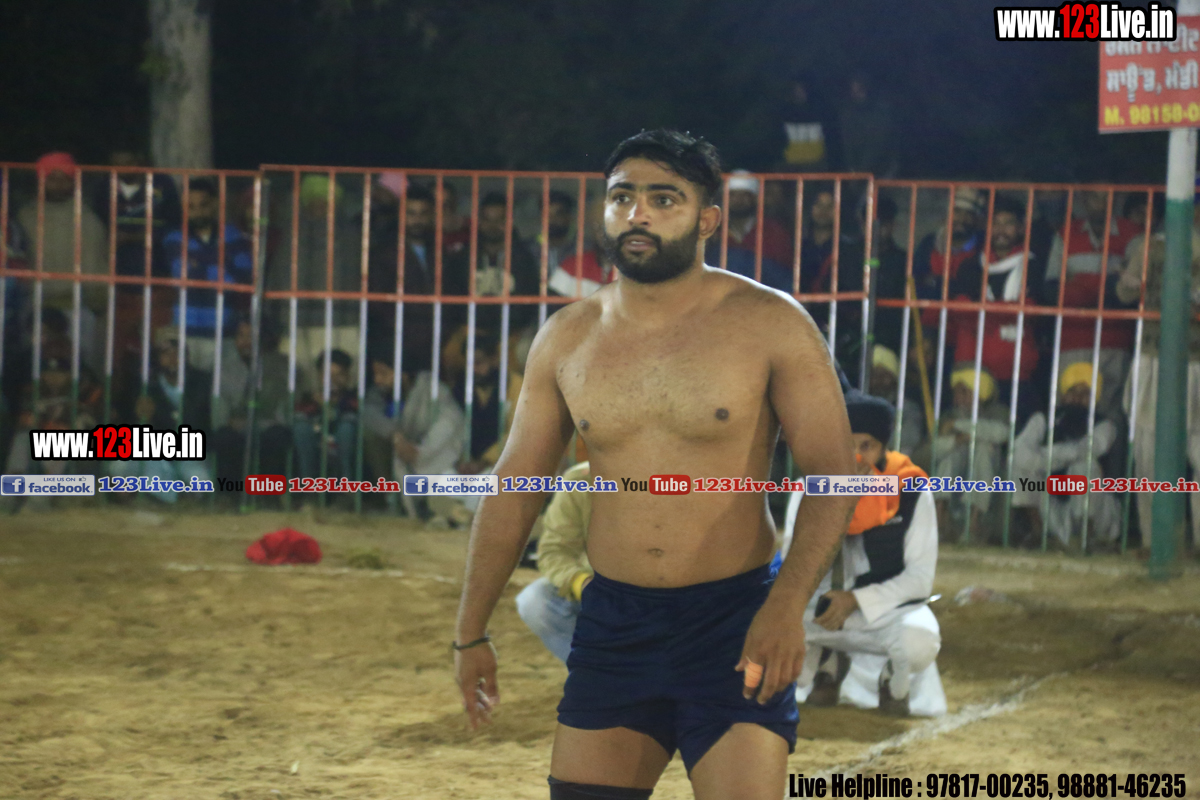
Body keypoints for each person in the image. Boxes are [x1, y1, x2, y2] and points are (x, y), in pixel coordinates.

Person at [453, 129, 856, 799]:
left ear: (708, 220)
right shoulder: (566, 338)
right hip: (616, 626)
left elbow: (833, 477)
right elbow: (514, 491)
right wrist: (469, 635)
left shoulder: (770, 322)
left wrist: (787, 607)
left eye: (664, 199)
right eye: (622, 197)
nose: (637, 214)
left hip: (735, 620)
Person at [782, 390, 945, 717]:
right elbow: (790, 569)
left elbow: (919, 580)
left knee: (920, 639)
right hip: (818, 612)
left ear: (884, 448)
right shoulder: (810, 488)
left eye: (866, 446)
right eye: (847, 445)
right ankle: (826, 662)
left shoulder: (912, 491)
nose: (855, 456)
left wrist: (855, 600)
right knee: (752, 623)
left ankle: (892, 681)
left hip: (884, 613)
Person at [1118, 197, 1200, 550]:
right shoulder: (1151, 246)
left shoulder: (1152, 245)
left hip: (1187, 357)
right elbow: (1125, 290)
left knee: (1173, 452)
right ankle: (1157, 542)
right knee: (1150, 453)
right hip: (1157, 354)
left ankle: (1170, 542)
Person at [1043, 191, 1139, 418]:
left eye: (1107, 197)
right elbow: (1051, 292)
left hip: (1115, 342)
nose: (1101, 203)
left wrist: (1079, 283)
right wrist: (1111, 285)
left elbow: (1130, 294)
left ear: (1115, 200)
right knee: (1068, 412)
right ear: (1084, 200)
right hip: (1072, 341)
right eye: (1095, 196)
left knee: (1111, 417)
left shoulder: (1133, 234)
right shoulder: (1066, 233)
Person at [947, 197, 1040, 425]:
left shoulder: (1034, 265)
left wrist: (983, 313)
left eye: (1008, 223)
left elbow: (1031, 312)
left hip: (1018, 372)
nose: (1001, 230)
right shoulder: (970, 266)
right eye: (995, 223)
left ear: (1021, 228)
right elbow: (960, 311)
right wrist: (1009, 311)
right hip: (973, 373)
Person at [268, 174, 362, 397]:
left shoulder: (352, 237)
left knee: (342, 383)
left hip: (343, 322)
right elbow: (279, 277)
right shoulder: (292, 236)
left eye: (325, 203)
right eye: (315, 203)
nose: (320, 209)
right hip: (298, 323)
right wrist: (278, 320)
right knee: (300, 386)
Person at [16, 152, 109, 376]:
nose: (58, 184)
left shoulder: (88, 218)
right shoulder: (25, 217)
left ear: (73, 181)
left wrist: (99, 303)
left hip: (77, 307)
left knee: (80, 367)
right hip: (35, 308)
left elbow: (97, 263)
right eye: (52, 178)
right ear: (41, 180)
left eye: (64, 179)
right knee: (34, 368)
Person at [1011, 364, 1119, 549]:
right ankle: (1039, 533)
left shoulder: (1105, 425)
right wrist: (1051, 459)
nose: (1077, 398)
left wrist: (1044, 457)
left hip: (1095, 509)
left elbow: (1085, 450)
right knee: (1022, 468)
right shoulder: (1043, 419)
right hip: (1054, 504)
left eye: (1085, 393)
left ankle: (1086, 534)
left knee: (1085, 466)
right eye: (1072, 392)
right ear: (1062, 395)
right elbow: (1019, 452)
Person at [109, 325, 212, 504]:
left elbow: (195, 423)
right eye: (166, 353)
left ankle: (167, 496)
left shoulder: (201, 382)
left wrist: (160, 416)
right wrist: (142, 419)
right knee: (118, 467)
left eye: (177, 352)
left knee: (201, 483)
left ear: (186, 356)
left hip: (190, 454)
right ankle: (168, 496)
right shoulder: (145, 385)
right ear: (157, 357)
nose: (173, 358)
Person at [362, 343, 466, 518]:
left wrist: (420, 452)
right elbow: (369, 413)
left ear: (403, 374)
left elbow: (449, 422)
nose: (377, 380)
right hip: (401, 452)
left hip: (432, 451)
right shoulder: (380, 393)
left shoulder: (431, 390)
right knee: (370, 435)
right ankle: (392, 498)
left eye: (384, 373)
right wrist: (395, 436)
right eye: (376, 374)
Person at [164, 177, 254, 371]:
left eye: (203, 205)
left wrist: (200, 266)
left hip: (225, 332)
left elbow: (244, 277)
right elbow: (184, 276)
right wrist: (222, 267)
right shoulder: (174, 237)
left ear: (214, 204)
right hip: (186, 332)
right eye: (191, 206)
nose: (197, 212)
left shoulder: (232, 234)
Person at [515, 461, 594, 664]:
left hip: (662, 594)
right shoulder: (581, 479)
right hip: (602, 590)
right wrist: (582, 583)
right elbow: (554, 551)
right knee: (536, 601)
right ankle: (592, 671)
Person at [210, 319, 291, 496]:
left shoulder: (280, 366)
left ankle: (267, 496)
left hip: (267, 424)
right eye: (241, 336)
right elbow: (220, 406)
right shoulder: (224, 368)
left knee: (277, 436)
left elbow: (282, 406)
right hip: (235, 425)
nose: (246, 342)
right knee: (224, 437)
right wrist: (228, 421)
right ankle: (231, 495)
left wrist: (264, 422)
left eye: (251, 336)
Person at [932, 366, 1010, 540]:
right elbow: (935, 449)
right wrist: (959, 439)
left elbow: (1001, 433)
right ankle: (939, 516)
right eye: (956, 392)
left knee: (984, 449)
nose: (958, 398)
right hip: (959, 472)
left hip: (993, 475)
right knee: (951, 456)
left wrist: (958, 426)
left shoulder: (997, 412)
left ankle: (975, 522)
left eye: (964, 392)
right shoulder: (950, 414)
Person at [706, 170, 794, 292]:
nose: (738, 200)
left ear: (755, 198)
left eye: (745, 195)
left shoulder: (773, 230)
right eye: (733, 195)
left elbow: (784, 275)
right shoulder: (713, 231)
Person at [292, 348, 358, 485]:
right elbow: (297, 416)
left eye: (339, 375)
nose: (333, 380)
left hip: (343, 442)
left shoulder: (353, 398)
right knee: (301, 428)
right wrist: (319, 405)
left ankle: (346, 487)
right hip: (315, 443)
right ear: (319, 375)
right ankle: (309, 486)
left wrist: (335, 405)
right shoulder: (309, 399)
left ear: (348, 376)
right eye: (328, 375)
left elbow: (355, 414)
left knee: (346, 429)